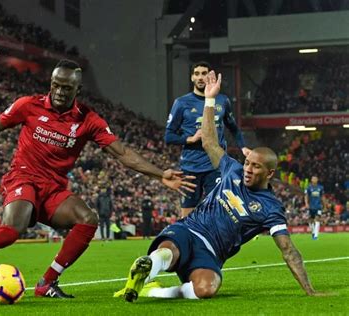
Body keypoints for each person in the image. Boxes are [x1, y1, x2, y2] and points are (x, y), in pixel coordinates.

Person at [0, 59, 195, 300]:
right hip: (23, 178)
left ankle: (47, 282)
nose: (60, 92)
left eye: (67, 88)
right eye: (56, 85)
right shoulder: (28, 105)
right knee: (12, 229)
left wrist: (161, 174)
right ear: (51, 83)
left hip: (53, 189)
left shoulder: (88, 119)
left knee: (88, 219)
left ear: (77, 90)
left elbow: (122, 153)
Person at [115, 70, 322, 302]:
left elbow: (288, 249)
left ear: (270, 173)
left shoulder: (271, 208)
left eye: (255, 167)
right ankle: (147, 267)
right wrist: (210, 100)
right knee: (167, 253)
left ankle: (151, 290)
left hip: (211, 252)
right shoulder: (231, 168)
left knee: (206, 289)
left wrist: (309, 289)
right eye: (247, 163)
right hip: (189, 230)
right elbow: (209, 141)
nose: (248, 169)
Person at [165, 61, 251, 217]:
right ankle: (188, 240)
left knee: (219, 209)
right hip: (191, 167)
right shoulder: (182, 103)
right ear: (192, 77)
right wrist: (190, 139)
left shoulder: (222, 100)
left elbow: (233, 127)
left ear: (209, 76)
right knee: (187, 214)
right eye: (196, 74)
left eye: (204, 73)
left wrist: (243, 147)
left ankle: (218, 240)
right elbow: (169, 136)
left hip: (216, 164)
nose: (200, 77)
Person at [305, 176, 326, 240]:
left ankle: (316, 235)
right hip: (311, 206)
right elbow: (306, 196)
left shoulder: (320, 187)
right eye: (313, 179)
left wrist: (324, 205)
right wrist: (306, 204)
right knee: (310, 220)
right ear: (311, 180)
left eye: (316, 179)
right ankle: (313, 232)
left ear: (317, 180)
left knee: (317, 219)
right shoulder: (308, 187)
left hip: (318, 206)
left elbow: (322, 197)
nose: (314, 179)